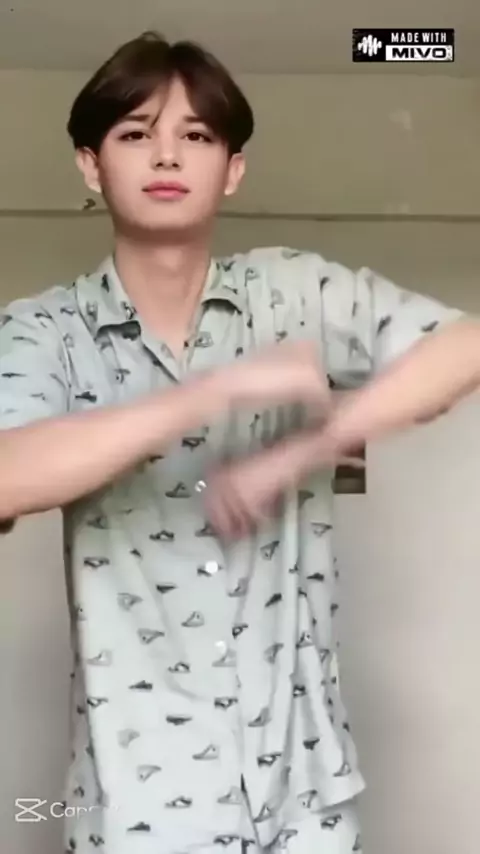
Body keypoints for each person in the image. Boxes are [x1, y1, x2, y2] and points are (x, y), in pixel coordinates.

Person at [0, 30, 477, 854]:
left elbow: (464, 346)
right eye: (135, 133)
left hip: (309, 800)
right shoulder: (46, 331)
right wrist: (215, 390)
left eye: (196, 135)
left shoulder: (294, 290)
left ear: (233, 168)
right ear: (89, 164)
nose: (167, 154)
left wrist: (311, 445)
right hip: (137, 811)